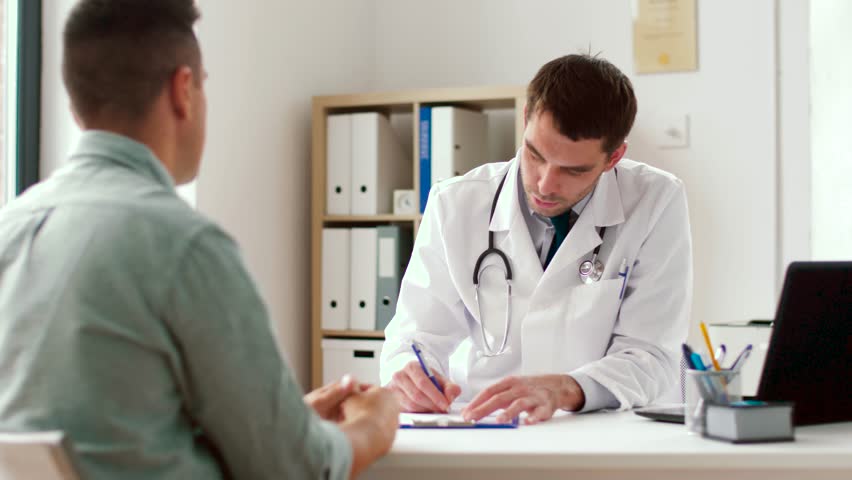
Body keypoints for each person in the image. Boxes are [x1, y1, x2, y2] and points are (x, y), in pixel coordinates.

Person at [0, 1, 398, 478]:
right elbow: (296, 469)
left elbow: (112, 436)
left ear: (75, 102)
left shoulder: (12, 227)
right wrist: (375, 426)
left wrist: (285, 422)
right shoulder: (184, 246)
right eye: (204, 85)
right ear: (183, 90)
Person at [380, 54, 692, 424]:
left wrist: (564, 388)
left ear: (614, 157)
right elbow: (415, 335)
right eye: (535, 155)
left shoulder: (656, 200)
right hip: (482, 423)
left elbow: (652, 356)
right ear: (526, 118)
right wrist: (411, 373)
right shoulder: (455, 203)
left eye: (573, 170)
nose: (545, 184)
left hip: (598, 428)